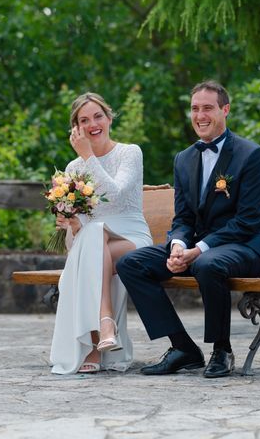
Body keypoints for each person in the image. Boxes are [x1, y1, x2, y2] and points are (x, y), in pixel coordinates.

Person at [116, 80, 260, 378]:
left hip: (249, 244)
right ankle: (183, 348)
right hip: (201, 249)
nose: (200, 116)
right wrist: (178, 245)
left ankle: (222, 350)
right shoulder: (184, 158)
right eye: (194, 109)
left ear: (225, 110)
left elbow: (249, 220)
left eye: (208, 108)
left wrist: (198, 249)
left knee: (207, 263)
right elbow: (184, 217)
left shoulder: (251, 155)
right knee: (131, 263)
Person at [50, 92, 152, 374]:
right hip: (97, 243)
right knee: (93, 238)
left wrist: (88, 156)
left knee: (94, 241)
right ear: (76, 129)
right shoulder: (72, 169)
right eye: (84, 120)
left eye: (98, 116)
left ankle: (96, 342)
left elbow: (115, 195)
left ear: (109, 118)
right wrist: (71, 224)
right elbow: (77, 241)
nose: (92, 124)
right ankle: (105, 326)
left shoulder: (129, 153)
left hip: (132, 239)